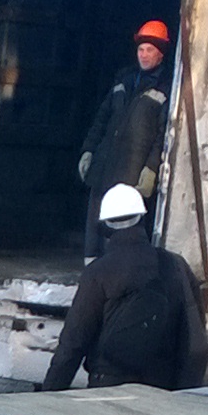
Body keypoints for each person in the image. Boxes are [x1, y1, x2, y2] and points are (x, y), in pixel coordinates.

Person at [42, 186, 208, 394]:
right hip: (163, 390)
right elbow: (195, 326)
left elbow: (73, 343)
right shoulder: (176, 264)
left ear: (105, 227)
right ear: (142, 219)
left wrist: (48, 394)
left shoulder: (99, 272)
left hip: (110, 389)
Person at [76, 20, 172, 258]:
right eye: (141, 49)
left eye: (150, 50)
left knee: (121, 228)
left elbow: (163, 134)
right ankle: (91, 268)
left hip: (132, 171)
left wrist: (151, 168)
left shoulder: (166, 89)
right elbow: (102, 119)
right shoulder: (123, 80)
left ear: (160, 54)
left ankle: (116, 270)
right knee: (95, 223)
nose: (144, 55)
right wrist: (89, 150)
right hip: (105, 165)